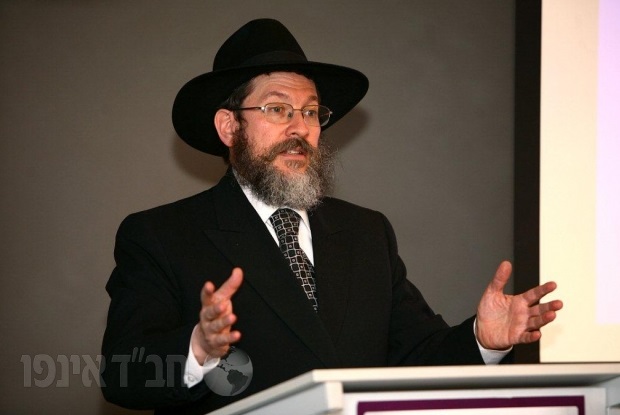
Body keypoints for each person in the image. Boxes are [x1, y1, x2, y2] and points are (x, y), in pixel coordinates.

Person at [101, 18, 562, 415]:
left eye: (311, 112)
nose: (299, 127)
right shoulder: (162, 235)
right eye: (277, 109)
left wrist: (483, 338)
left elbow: (418, 356)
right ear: (229, 126)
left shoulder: (365, 233)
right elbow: (121, 375)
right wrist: (198, 349)